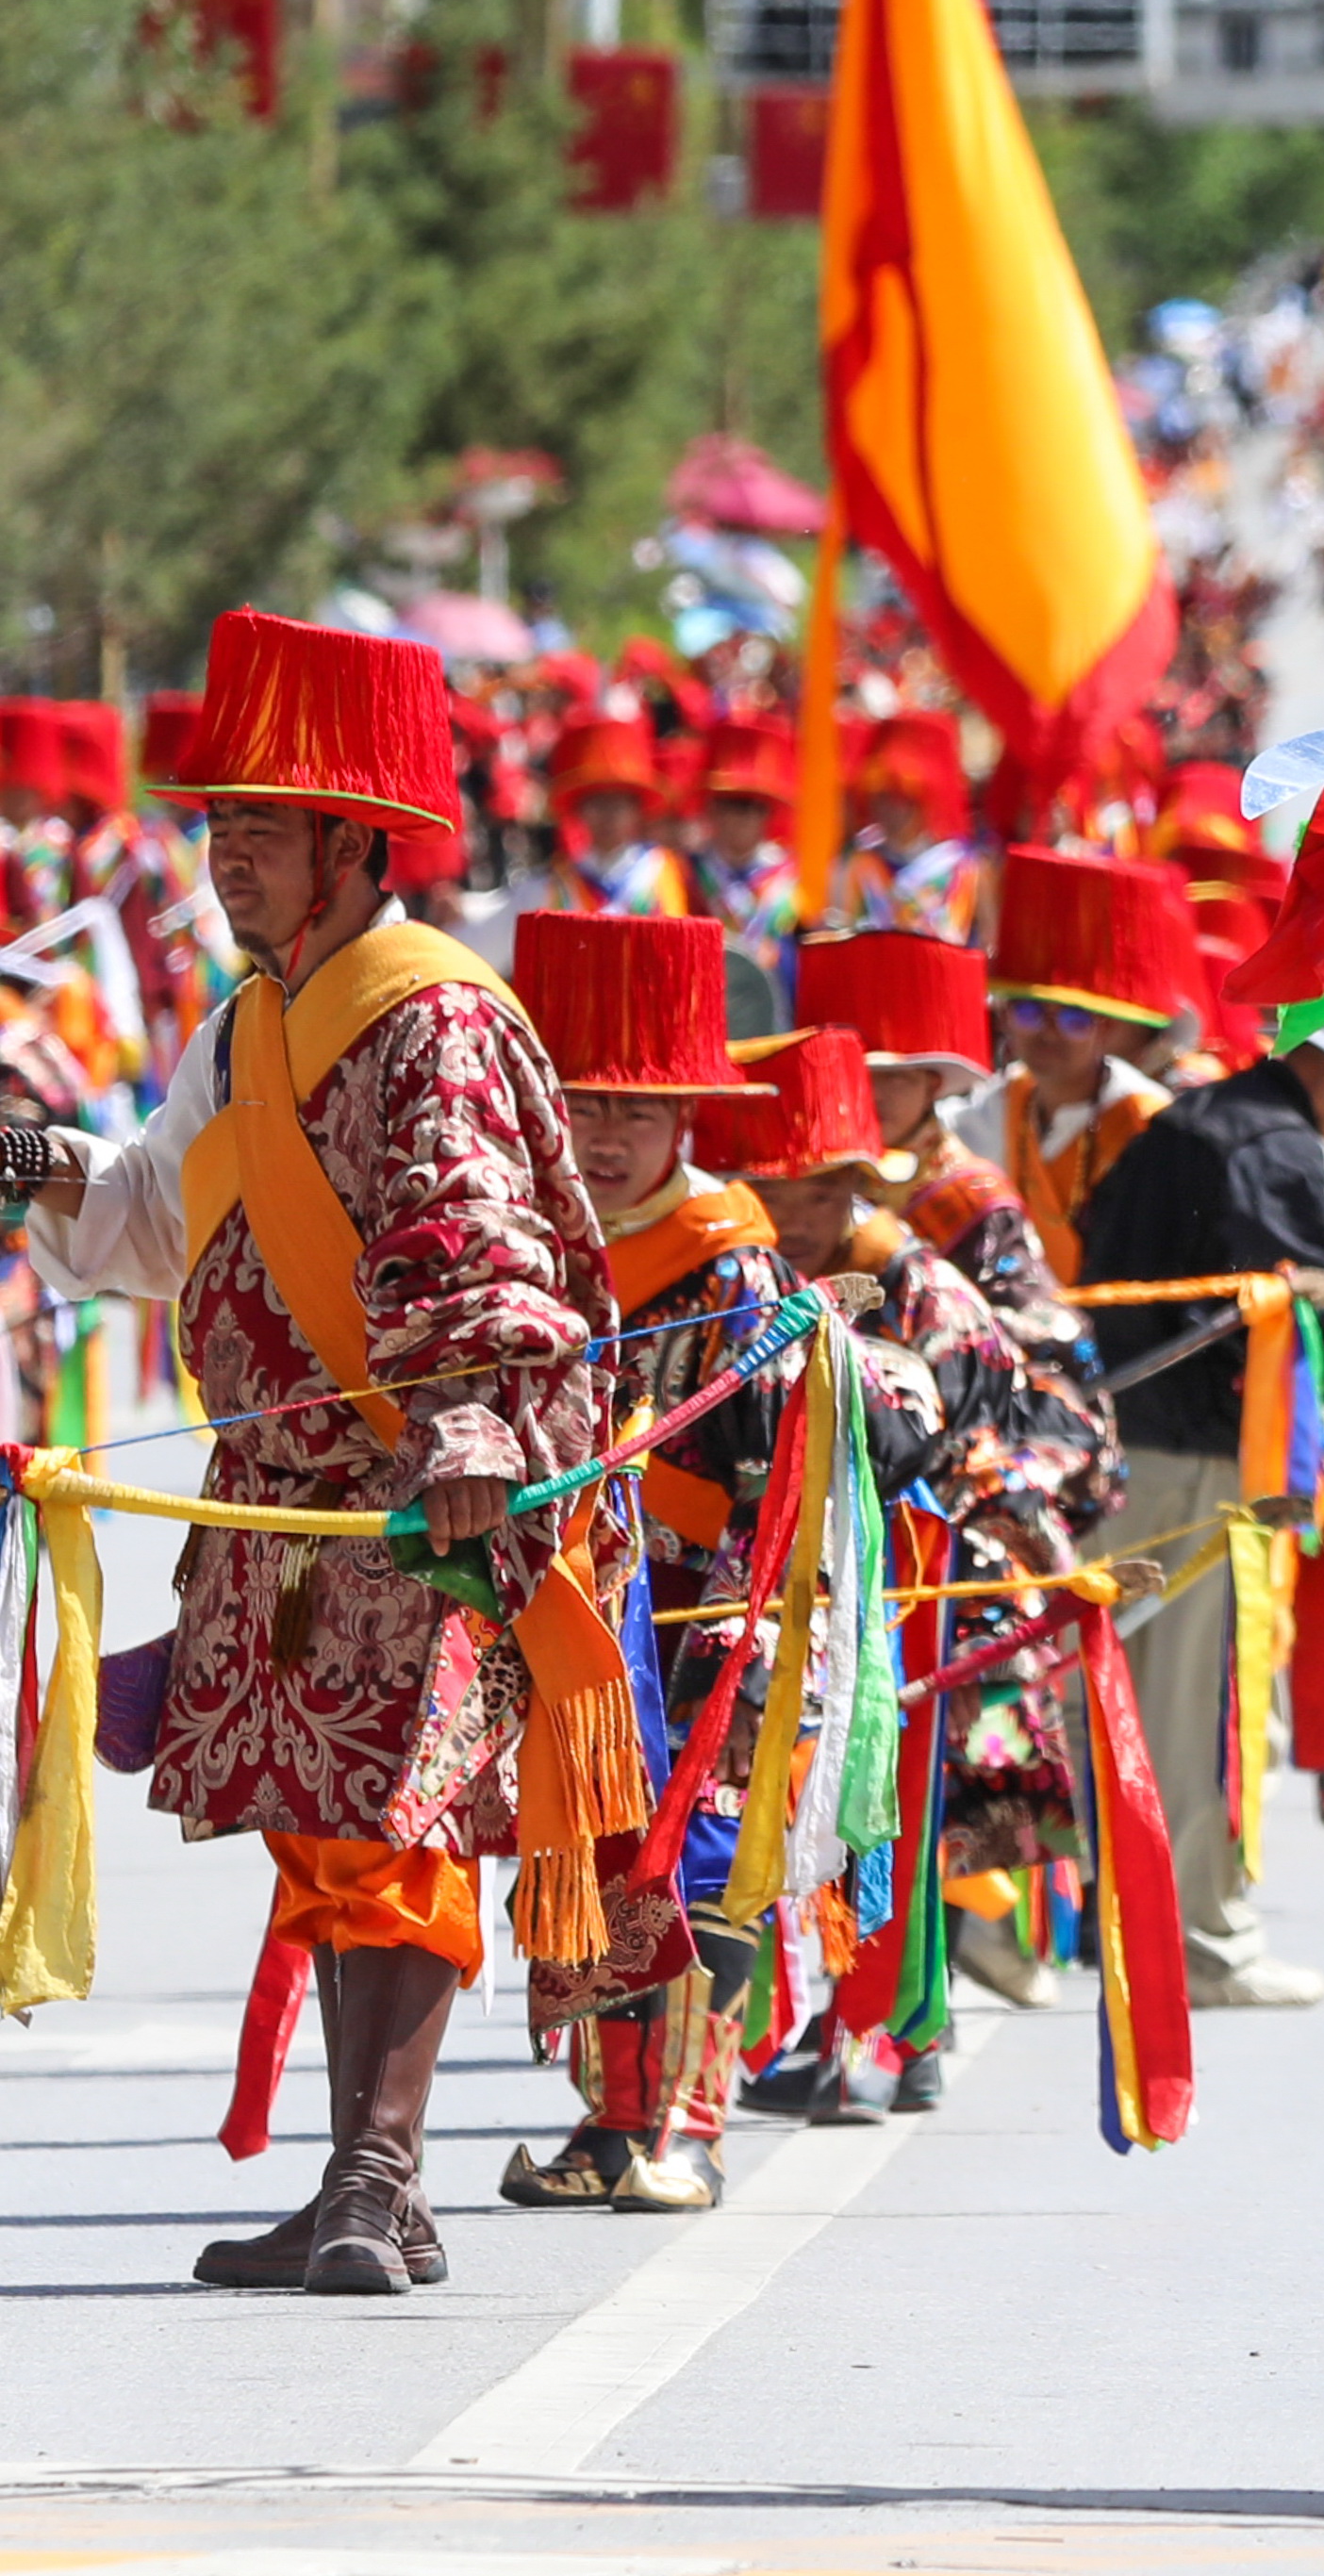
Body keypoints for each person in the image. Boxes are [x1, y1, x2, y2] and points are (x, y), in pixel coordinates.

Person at [18, 609, 619, 2296]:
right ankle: (364, 2185)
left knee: (400, 1821)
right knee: (331, 1827)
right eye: (216, 831)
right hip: (280, 1501)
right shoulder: (243, 1027)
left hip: (426, 1481)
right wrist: (29, 1156)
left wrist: (478, 1425)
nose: (224, 865)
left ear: (358, 848)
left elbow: (478, 1243)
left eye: (259, 833)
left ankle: (378, 2173)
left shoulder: (432, 1019)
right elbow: (151, 1214)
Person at [716, 1026, 1117, 2099]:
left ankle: (884, 2036)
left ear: (857, 1187)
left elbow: (1036, 1430)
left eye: (815, 1191)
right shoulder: (742, 1275)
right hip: (807, 1582)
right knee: (814, 1807)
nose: (789, 1213)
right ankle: (845, 2032)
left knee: (892, 1803)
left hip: (930, 1581)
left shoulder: (923, 1285)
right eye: (768, 1187)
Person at [492, 911, 798, 2213]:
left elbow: (778, 1472)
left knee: (702, 1848)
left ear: (688, 1120)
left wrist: (752, 1619)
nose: (606, 1135)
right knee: (591, 1843)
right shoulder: (525, 1248)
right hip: (573, 1609)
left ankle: (693, 2115)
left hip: (700, 1609)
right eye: (581, 1104)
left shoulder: (735, 1265)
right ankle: (609, 2118)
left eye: (636, 1107)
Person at [1073, 984, 1324, 2007]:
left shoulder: (1199, 1121)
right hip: (1194, 1457)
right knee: (1196, 1706)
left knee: (1120, 1692)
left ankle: (1117, 1914)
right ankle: (1207, 1946)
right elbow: (1303, 1315)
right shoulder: (1278, 1151)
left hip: (1126, 1443)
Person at [798, 927, 1078, 1361]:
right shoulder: (797, 1178)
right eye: (861, 1076)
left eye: (896, 1079)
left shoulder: (974, 1198)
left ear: (931, 1086)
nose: (876, 1094)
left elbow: (1030, 1326)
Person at [976, 848, 1182, 1288]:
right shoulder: (997, 1102)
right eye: (1029, 1012)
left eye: (1073, 1019)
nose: (1046, 1034)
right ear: (1004, 1015)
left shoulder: (1147, 1119)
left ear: (1107, 1029)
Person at [537, 713, 697, 920]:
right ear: (580, 809)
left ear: (636, 809)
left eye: (619, 804)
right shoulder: (562, 878)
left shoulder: (661, 870)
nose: (608, 816)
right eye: (598, 803)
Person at [838, 712, 985, 940]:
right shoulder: (856, 861)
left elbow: (984, 941)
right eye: (881, 795)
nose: (889, 808)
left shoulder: (961, 867)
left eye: (901, 797)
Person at [694, 719, 803, 994]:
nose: (742, 818)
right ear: (712, 809)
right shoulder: (685, 874)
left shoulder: (794, 880)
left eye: (752, 806)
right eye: (731, 805)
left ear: (767, 814)